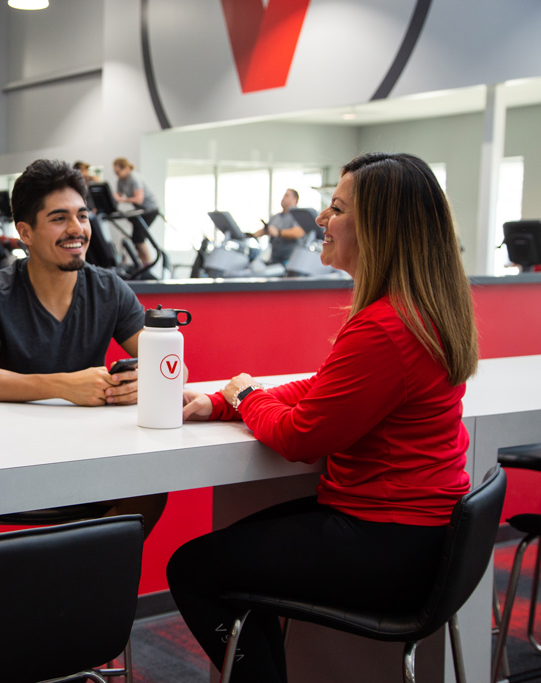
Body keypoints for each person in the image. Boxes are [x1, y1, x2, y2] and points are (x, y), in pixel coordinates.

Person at [167, 152, 479, 683]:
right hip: (422, 535)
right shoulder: (418, 309)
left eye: (336, 208)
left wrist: (244, 397)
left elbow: (299, 435)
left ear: (379, 226)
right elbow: (326, 388)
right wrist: (226, 399)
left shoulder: (386, 326)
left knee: (193, 570)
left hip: (390, 543)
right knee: (238, 563)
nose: (319, 220)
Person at [0, 158, 167, 540]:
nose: (77, 229)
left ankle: (70, 570)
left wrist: (145, 380)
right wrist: (62, 385)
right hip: (6, 461)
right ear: (25, 232)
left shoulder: (108, 288)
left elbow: (170, 366)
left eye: (82, 216)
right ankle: (17, 580)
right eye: (59, 218)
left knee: (154, 485)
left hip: (88, 459)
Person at [112, 157, 160, 267]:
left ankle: (148, 263)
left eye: (118, 172)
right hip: (140, 210)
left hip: (150, 209)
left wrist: (122, 200)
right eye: (115, 173)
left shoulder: (134, 178)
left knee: (138, 237)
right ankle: (143, 264)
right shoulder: (120, 181)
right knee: (135, 238)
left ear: (126, 168)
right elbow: (117, 197)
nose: (117, 175)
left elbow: (139, 199)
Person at [249, 188, 309, 265]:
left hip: (290, 260)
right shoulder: (276, 217)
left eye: (287, 196)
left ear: (295, 200)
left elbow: (299, 232)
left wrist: (279, 232)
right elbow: (266, 230)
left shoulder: (298, 216)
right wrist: (250, 235)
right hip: (274, 259)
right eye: (283, 196)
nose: (283, 198)